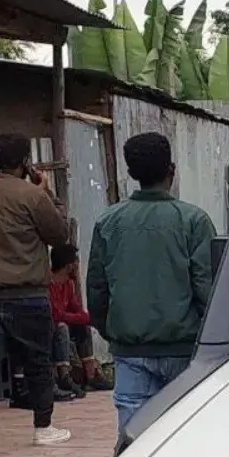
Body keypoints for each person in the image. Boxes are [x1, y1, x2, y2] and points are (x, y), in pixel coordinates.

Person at [0, 134, 73, 457]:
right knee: (38, 362)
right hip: (27, 294)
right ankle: (43, 427)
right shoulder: (32, 196)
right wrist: (47, 192)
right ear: (25, 162)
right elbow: (60, 235)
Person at [87, 133, 215, 436]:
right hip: (184, 349)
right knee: (186, 432)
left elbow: (97, 289)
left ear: (131, 173)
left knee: (133, 437)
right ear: (172, 170)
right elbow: (207, 288)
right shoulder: (194, 221)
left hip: (130, 350)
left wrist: (111, 331)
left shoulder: (108, 222)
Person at [49, 244, 105, 391]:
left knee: (83, 327)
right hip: (50, 326)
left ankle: (90, 375)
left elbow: (76, 308)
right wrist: (81, 318)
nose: (78, 265)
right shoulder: (48, 283)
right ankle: (63, 376)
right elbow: (55, 314)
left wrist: (87, 318)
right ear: (68, 265)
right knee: (62, 328)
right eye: (75, 261)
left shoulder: (68, 284)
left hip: (64, 323)